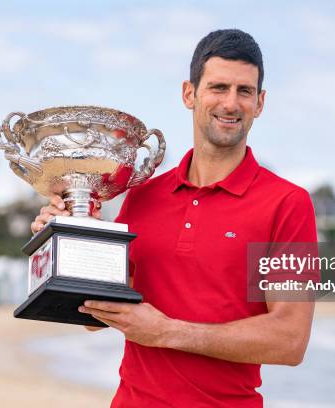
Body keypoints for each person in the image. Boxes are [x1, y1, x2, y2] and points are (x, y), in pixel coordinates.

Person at [31, 29, 318, 408]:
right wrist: (71, 235)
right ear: (189, 93)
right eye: (218, 87)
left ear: (260, 102)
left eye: (244, 91)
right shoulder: (144, 195)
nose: (231, 103)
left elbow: (290, 340)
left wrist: (168, 333)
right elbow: (93, 316)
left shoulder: (288, 204)